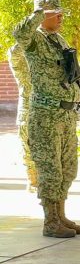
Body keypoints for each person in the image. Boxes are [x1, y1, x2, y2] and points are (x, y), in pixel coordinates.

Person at [13, 0, 80, 237]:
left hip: (65, 113)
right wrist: (39, 13)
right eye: (56, 14)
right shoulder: (34, 38)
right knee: (50, 170)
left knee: (68, 168)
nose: (61, 17)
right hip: (45, 114)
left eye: (60, 13)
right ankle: (51, 221)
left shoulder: (58, 39)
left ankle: (62, 215)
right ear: (44, 15)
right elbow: (20, 34)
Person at [8, 44, 36, 192]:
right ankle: (33, 181)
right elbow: (14, 53)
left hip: (47, 110)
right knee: (28, 146)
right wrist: (28, 34)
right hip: (28, 109)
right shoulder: (20, 61)